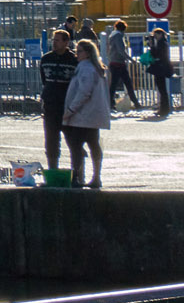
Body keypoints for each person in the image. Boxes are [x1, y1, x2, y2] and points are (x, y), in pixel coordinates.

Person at [62, 37, 111, 188]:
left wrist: (70, 110)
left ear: (88, 53)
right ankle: (96, 176)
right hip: (94, 116)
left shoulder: (85, 68)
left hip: (82, 115)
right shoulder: (98, 68)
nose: (77, 54)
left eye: (80, 51)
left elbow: (84, 92)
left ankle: (76, 176)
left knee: (76, 146)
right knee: (94, 145)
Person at [39, 28, 80, 172]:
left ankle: (77, 173)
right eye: (53, 40)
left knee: (73, 141)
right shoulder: (46, 59)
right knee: (51, 140)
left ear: (66, 42)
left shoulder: (74, 60)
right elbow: (45, 80)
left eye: (57, 40)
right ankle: (52, 170)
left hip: (67, 105)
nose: (54, 43)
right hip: (50, 105)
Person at [105, 19, 137, 112]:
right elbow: (120, 50)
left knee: (114, 85)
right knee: (127, 83)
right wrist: (130, 59)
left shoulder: (112, 35)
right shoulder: (118, 36)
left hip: (113, 62)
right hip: (119, 63)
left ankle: (111, 103)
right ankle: (135, 102)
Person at [149, 26, 174, 118]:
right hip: (162, 67)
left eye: (155, 35)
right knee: (162, 89)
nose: (155, 37)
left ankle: (164, 109)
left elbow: (156, 54)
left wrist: (152, 46)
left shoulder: (161, 44)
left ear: (160, 34)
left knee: (162, 89)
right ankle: (163, 109)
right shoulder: (163, 43)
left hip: (160, 68)